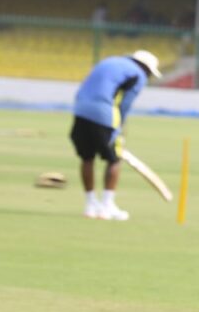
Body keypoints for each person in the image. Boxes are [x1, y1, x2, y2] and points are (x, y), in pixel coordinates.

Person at [69, 49, 162, 220]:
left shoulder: (109, 60)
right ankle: (107, 206)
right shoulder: (138, 74)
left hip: (80, 110)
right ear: (146, 68)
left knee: (87, 157)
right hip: (104, 113)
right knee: (114, 159)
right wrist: (119, 129)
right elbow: (124, 105)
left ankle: (90, 205)